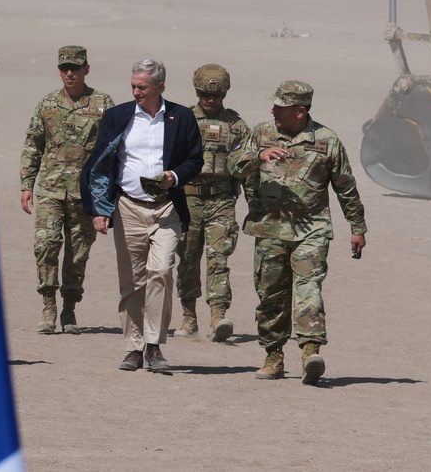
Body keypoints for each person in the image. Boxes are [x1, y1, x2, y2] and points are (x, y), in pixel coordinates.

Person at [229, 80, 368, 385]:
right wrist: (258, 156)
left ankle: (310, 352)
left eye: (280, 106)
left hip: (311, 230)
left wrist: (357, 227)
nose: (273, 110)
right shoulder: (261, 133)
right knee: (271, 295)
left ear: (300, 111)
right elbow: (233, 167)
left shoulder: (327, 140)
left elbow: (345, 186)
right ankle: (273, 356)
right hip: (269, 228)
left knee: (309, 289)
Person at [80, 59, 202, 372]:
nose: (136, 92)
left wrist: (174, 176)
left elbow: (195, 160)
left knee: (161, 271)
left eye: (143, 87)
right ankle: (133, 348)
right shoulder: (117, 116)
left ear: (160, 86)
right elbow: (101, 164)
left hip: (166, 208)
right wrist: (100, 209)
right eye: (133, 86)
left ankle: (154, 346)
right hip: (128, 207)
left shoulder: (182, 117)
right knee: (132, 280)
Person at [21, 45, 114, 334]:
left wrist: (107, 196)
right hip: (50, 189)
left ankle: (69, 309)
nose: (69, 73)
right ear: (59, 70)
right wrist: (26, 185)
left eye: (75, 68)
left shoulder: (102, 104)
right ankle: (48, 307)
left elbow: (113, 151)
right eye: (65, 68)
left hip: (85, 193)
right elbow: (33, 144)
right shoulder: (47, 103)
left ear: (87, 69)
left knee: (78, 253)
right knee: (45, 246)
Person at [176, 64, 248, 341]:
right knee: (188, 259)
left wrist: (256, 205)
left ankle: (218, 315)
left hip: (222, 200)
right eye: (205, 94)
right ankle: (188, 316)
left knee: (219, 258)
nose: (210, 99)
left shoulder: (237, 126)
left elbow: (248, 167)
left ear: (225, 94)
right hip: (187, 200)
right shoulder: (182, 120)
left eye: (216, 95)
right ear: (197, 92)